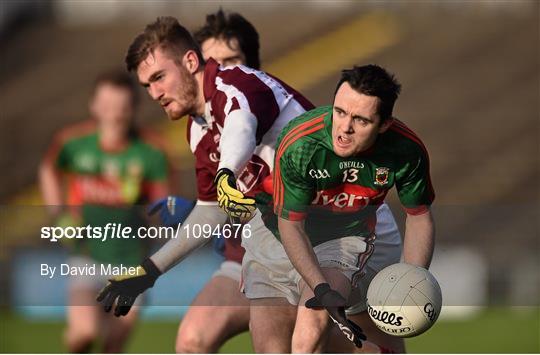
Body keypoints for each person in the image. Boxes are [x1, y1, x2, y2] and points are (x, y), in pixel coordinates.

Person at [97, 15, 402, 353]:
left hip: (348, 226)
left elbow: (241, 124)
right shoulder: (198, 128)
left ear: (190, 61)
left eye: (158, 77)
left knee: (309, 341)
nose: (154, 93)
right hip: (289, 238)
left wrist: (226, 172)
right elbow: (211, 211)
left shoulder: (235, 85)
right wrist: (150, 271)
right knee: (274, 345)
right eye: (146, 86)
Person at [241, 64, 435, 352]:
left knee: (309, 333)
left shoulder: (406, 151)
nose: (344, 128)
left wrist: (411, 279)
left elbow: (419, 216)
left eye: (360, 120)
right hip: (275, 230)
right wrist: (320, 288)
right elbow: (290, 224)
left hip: (342, 238)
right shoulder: (301, 143)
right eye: (340, 112)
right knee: (273, 348)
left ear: (384, 124)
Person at [39, 70, 170, 353]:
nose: (114, 114)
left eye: (121, 107)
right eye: (108, 106)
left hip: (131, 261)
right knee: (84, 334)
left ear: (133, 108)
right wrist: (57, 214)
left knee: (113, 344)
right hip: (87, 254)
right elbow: (48, 170)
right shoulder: (72, 143)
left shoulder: (151, 151)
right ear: (94, 106)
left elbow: (162, 207)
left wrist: (159, 226)